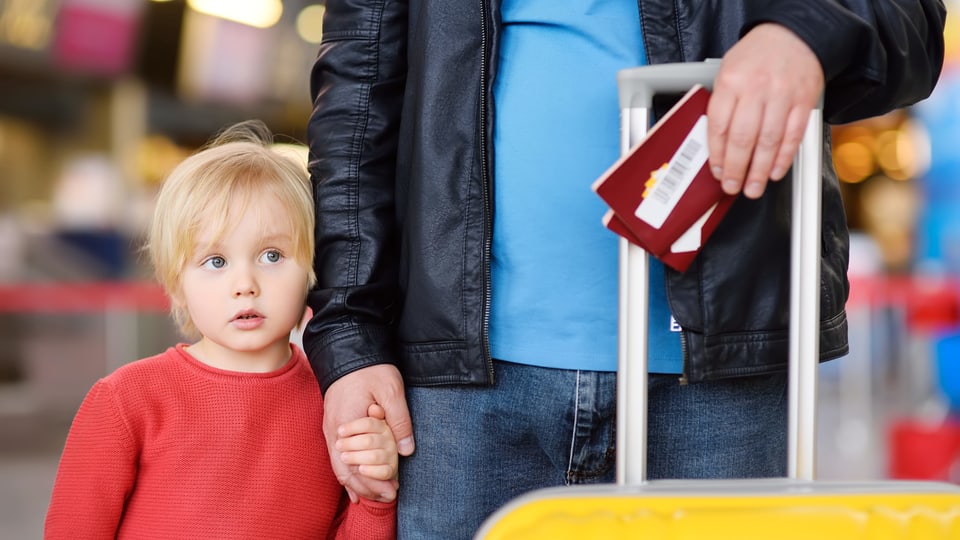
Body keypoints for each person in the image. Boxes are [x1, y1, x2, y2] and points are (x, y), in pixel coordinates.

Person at [304, 2, 946, 538]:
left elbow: (911, 19)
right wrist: (349, 337)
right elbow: (358, 95)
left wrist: (809, 29)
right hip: (461, 390)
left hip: (719, 384)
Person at [44, 120, 398, 540]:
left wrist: (376, 497)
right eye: (215, 261)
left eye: (271, 254)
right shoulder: (126, 401)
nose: (244, 283)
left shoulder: (337, 402)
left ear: (312, 269)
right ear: (176, 282)